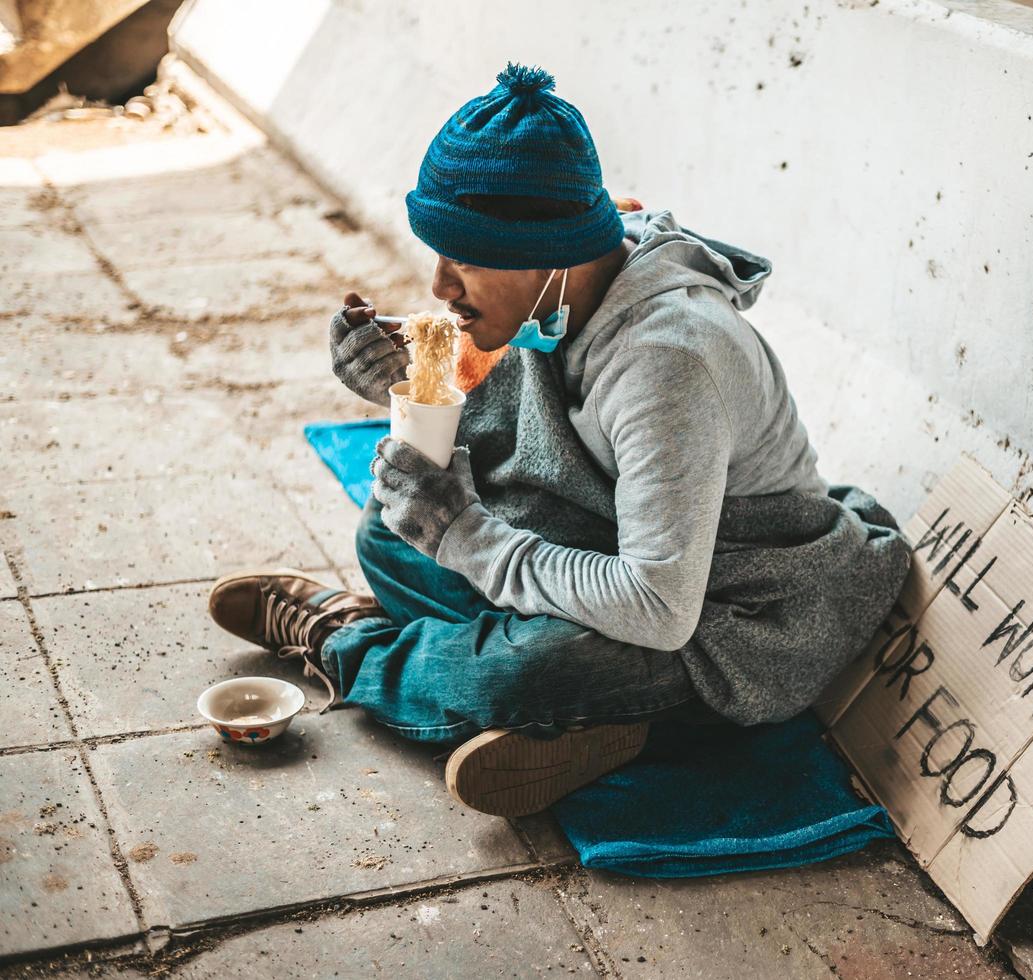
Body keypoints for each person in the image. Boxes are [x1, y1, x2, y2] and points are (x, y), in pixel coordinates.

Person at [207, 63, 910, 817]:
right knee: (389, 533)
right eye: (440, 253)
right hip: (602, 534)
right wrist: (405, 387)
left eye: (467, 259)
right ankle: (601, 723)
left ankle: (346, 640)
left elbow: (657, 606)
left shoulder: (667, 361)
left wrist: (468, 540)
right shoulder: (562, 288)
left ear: (554, 253)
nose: (441, 287)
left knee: (519, 674)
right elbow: (528, 445)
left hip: (732, 610)